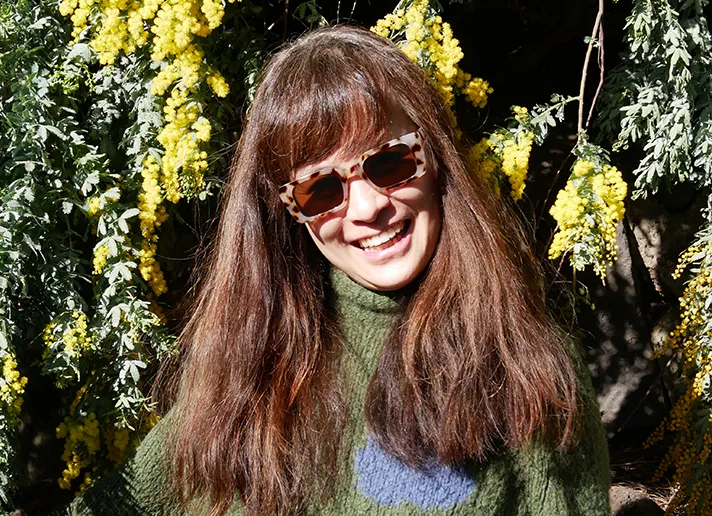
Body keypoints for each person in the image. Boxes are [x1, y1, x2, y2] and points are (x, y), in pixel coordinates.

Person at [58, 25, 610, 516]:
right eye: (321, 189)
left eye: (390, 162)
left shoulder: (525, 376)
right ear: (288, 212)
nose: (368, 208)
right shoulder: (250, 364)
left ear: (435, 158)